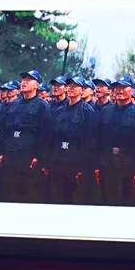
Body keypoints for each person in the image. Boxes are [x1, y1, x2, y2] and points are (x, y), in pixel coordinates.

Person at [0, 70, 52, 203]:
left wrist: (39, 157)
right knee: (7, 191)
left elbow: (46, 134)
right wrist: (1, 152)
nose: (24, 83)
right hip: (10, 153)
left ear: (37, 85)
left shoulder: (42, 106)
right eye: (23, 80)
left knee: (26, 193)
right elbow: (5, 130)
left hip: (28, 156)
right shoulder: (14, 104)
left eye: (29, 80)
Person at [96, 75, 135, 205]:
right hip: (107, 165)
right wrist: (98, 165)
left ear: (132, 90)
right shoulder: (105, 111)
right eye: (117, 87)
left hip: (129, 167)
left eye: (123, 87)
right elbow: (98, 140)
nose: (119, 91)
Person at [47, 76, 96, 204]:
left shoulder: (87, 111)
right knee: (56, 197)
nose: (71, 89)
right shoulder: (59, 110)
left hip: (75, 162)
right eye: (69, 86)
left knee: (73, 199)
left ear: (82, 90)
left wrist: (83, 168)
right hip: (58, 160)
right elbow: (52, 138)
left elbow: (90, 142)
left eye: (75, 86)